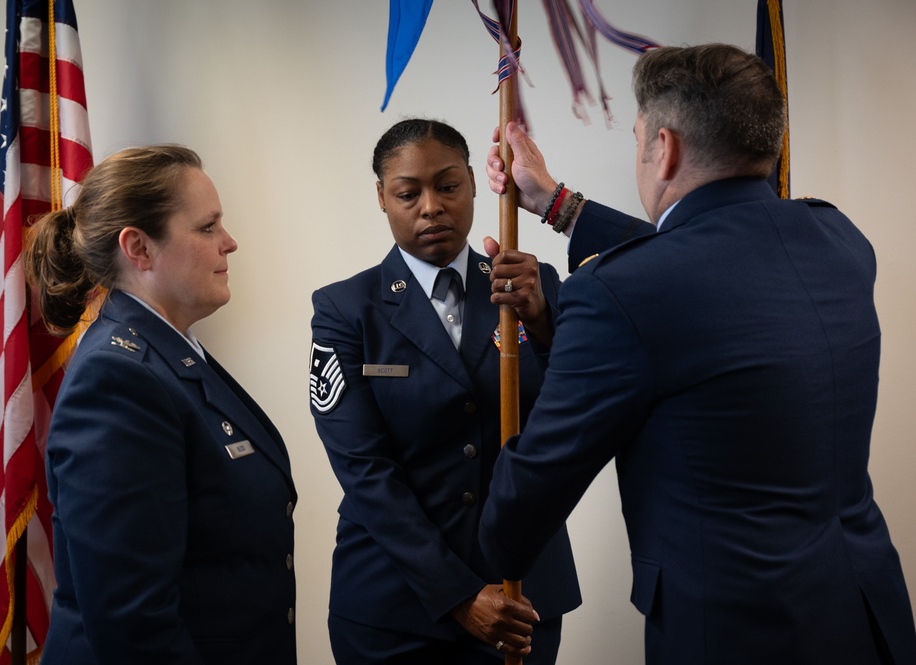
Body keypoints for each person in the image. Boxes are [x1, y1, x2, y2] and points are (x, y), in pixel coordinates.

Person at [478, 43, 916, 665]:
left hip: (737, 637)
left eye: (637, 139)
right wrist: (556, 203)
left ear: (665, 147)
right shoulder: (839, 240)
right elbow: (708, 258)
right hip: (869, 619)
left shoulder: (615, 296)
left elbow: (515, 522)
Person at [308, 118, 581, 664]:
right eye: (408, 193)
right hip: (395, 609)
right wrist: (458, 595)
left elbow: (576, 420)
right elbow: (365, 471)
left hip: (519, 595)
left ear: (478, 185)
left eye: (448, 185)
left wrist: (545, 323)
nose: (430, 206)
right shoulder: (345, 310)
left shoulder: (532, 284)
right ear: (382, 199)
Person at [24, 145, 297, 664]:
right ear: (139, 249)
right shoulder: (118, 380)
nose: (230, 242)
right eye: (208, 226)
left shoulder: (170, 354)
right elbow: (134, 627)